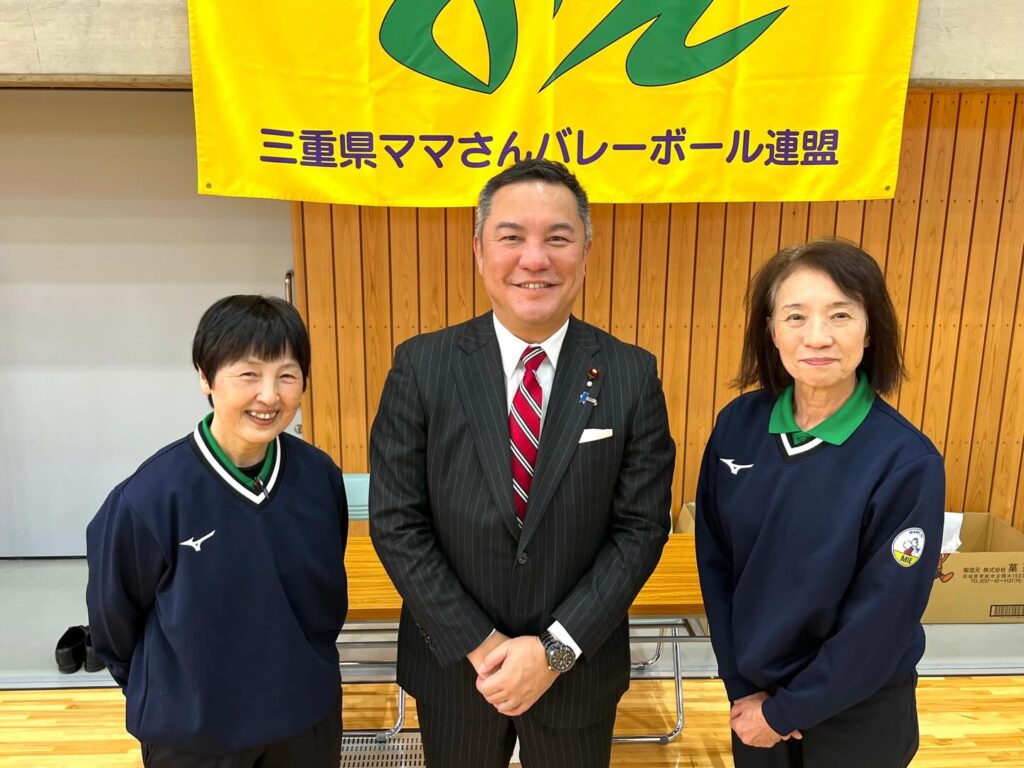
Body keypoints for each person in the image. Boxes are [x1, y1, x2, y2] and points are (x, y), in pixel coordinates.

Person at [369, 158, 675, 767]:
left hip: (577, 672)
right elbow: (397, 521)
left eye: (557, 238)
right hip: (458, 671)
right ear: (479, 250)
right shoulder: (422, 366)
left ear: (585, 252)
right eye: (511, 237)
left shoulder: (630, 373)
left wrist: (555, 652)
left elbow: (640, 529)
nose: (534, 260)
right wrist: (483, 647)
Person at [695, 239, 945, 768]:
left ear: (870, 329)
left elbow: (883, 620)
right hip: (754, 699)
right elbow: (716, 564)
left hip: (857, 712)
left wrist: (787, 712)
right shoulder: (737, 426)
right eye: (795, 316)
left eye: (840, 314)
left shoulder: (906, 461)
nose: (817, 336)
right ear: (770, 329)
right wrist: (741, 686)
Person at [86, 295, 348, 768]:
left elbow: (324, 599)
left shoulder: (320, 478)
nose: (269, 395)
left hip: (305, 720)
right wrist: (172, 691)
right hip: (194, 734)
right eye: (249, 374)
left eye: (287, 375)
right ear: (205, 378)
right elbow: (113, 623)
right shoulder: (149, 497)